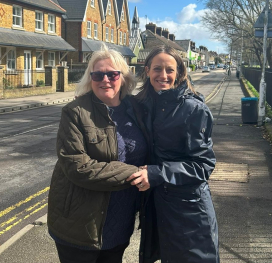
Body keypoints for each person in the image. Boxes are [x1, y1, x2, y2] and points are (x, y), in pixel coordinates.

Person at [47, 46, 149, 263]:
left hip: (120, 219)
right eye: (98, 74)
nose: (105, 79)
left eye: (112, 74)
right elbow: (78, 167)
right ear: (90, 77)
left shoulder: (136, 109)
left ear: (123, 77)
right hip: (80, 225)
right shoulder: (75, 112)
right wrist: (137, 174)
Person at [127, 45, 220, 263]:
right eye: (157, 69)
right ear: (147, 70)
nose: (163, 75)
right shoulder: (143, 105)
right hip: (156, 207)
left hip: (189, 212)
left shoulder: (193, 109)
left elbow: (203, 165)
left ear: (179, 72)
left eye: (170, 70)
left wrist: (156, 173)